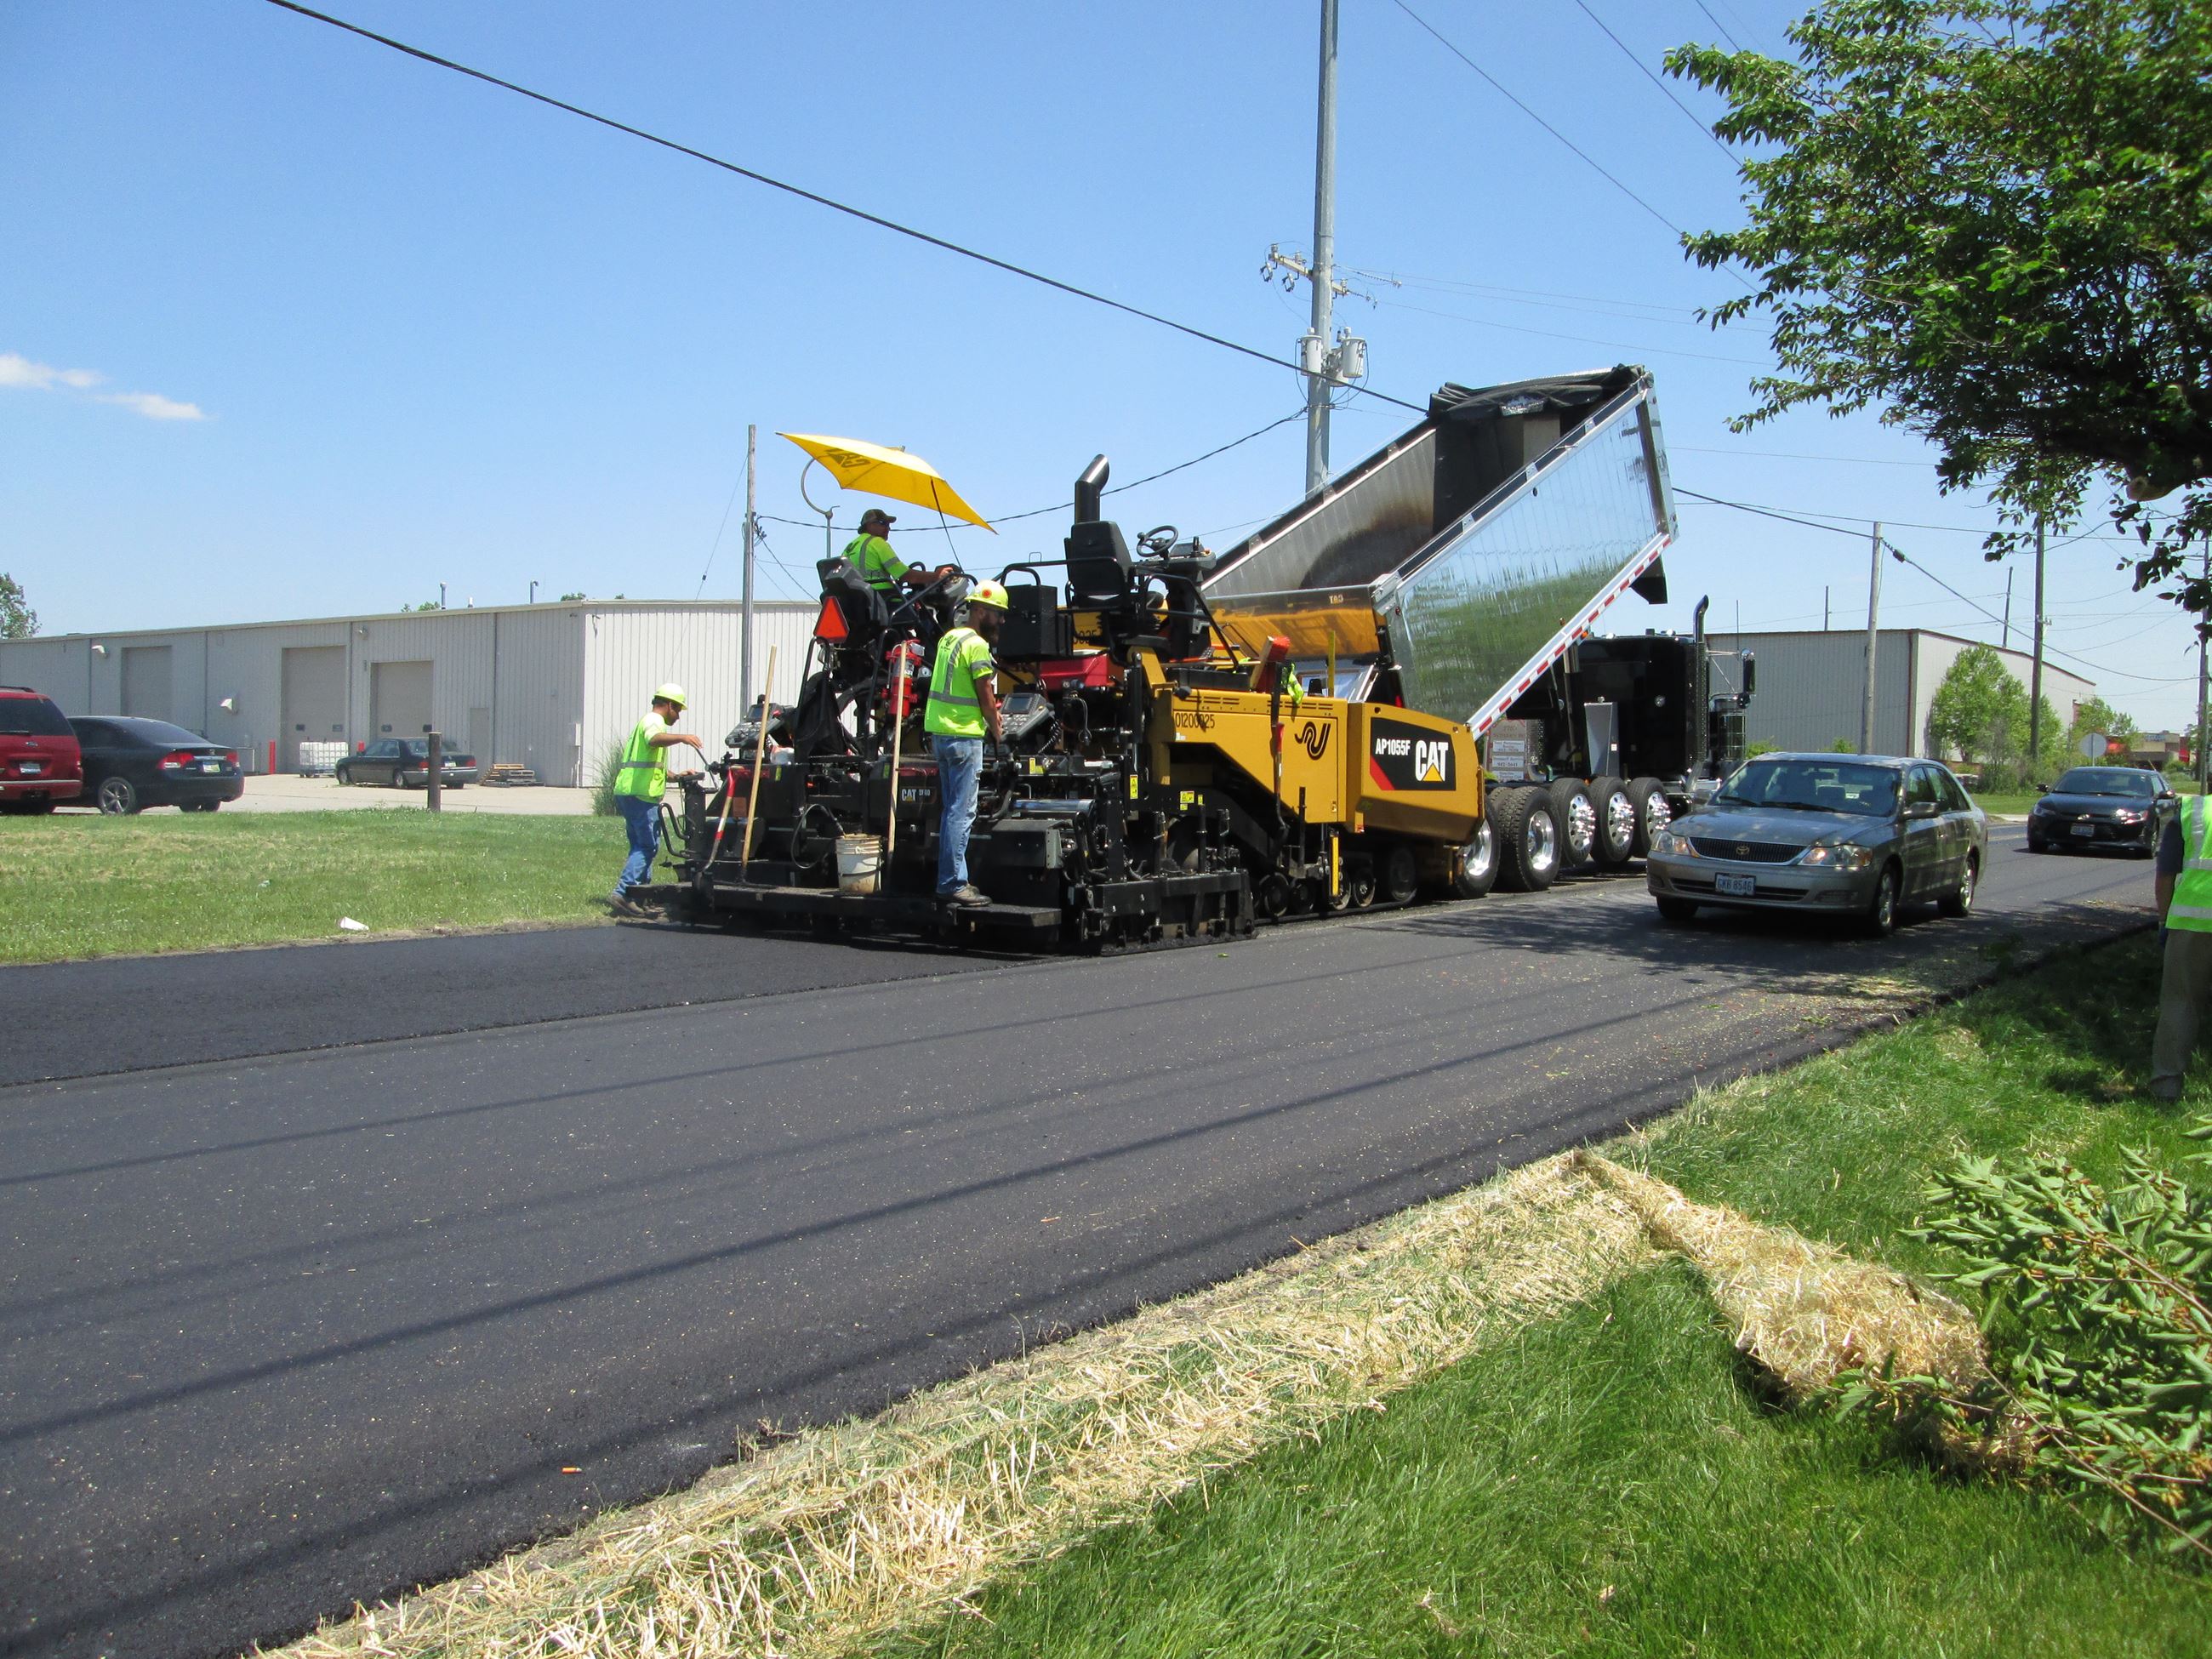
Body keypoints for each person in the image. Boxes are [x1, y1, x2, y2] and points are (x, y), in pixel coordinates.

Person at [923, 581, 1006, 908]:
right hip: (963, 736)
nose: (1000, 621)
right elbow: (985, 695)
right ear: (980, 611)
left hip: (940, 734)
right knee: (962, 811)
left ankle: (951, 877)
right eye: (997, 614)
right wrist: (997, 728)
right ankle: (953, 883)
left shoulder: (949, 638)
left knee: (950, 812)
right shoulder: (977, 646)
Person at [608, 683, 704, 918]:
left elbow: (651, 763)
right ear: (669, 705)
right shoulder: (654, 721)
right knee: (648, 846)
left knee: (641, 846)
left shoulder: (646, 721)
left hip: (630, 792)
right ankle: (623, 893)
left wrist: (676, 776)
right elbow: (654, 740)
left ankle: (642, 896)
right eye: (678, 710)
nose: (679, 716)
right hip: (640, 795)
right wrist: (683, 738)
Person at [2150, 790, 2212, 1099]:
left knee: (2180, 1004)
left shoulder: (2191, 812)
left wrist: (2164, 922)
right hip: (2191, 921)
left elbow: (2165, 878)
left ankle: (2166, 1087)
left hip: (2190, 924)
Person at [843, 508, 926, 600]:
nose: (888, 528)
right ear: (870, 525)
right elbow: (905, 575)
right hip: (882, 598)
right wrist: (937, 576)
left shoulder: (849, 547)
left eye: (889, 525)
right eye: (883, 523)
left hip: (857, 601)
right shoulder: (876, 542)